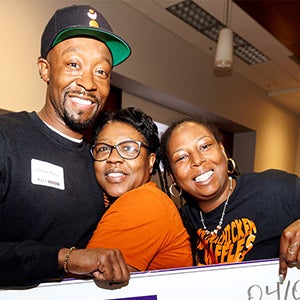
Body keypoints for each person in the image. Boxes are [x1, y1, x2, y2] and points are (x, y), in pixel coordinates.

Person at [0, 4, 132, 288]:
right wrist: (63, 259)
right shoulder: (5, 138)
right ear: (45, 70)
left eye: (102, 72)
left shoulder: (101, 164)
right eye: (74, 64)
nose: (88, 83)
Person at [159, 115, 300, 284]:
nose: (197, 160)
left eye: (204, 146)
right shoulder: (177, 223)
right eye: (181, 157)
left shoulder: (274, 188)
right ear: (172, 177)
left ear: (223, 151)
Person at [86, 107, 193, 271]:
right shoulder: (111, 201)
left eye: (128, 148)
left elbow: (82, 287)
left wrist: (60, 258)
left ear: (150, 161)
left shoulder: (143, 202)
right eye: (103, 148)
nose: (113, 158)